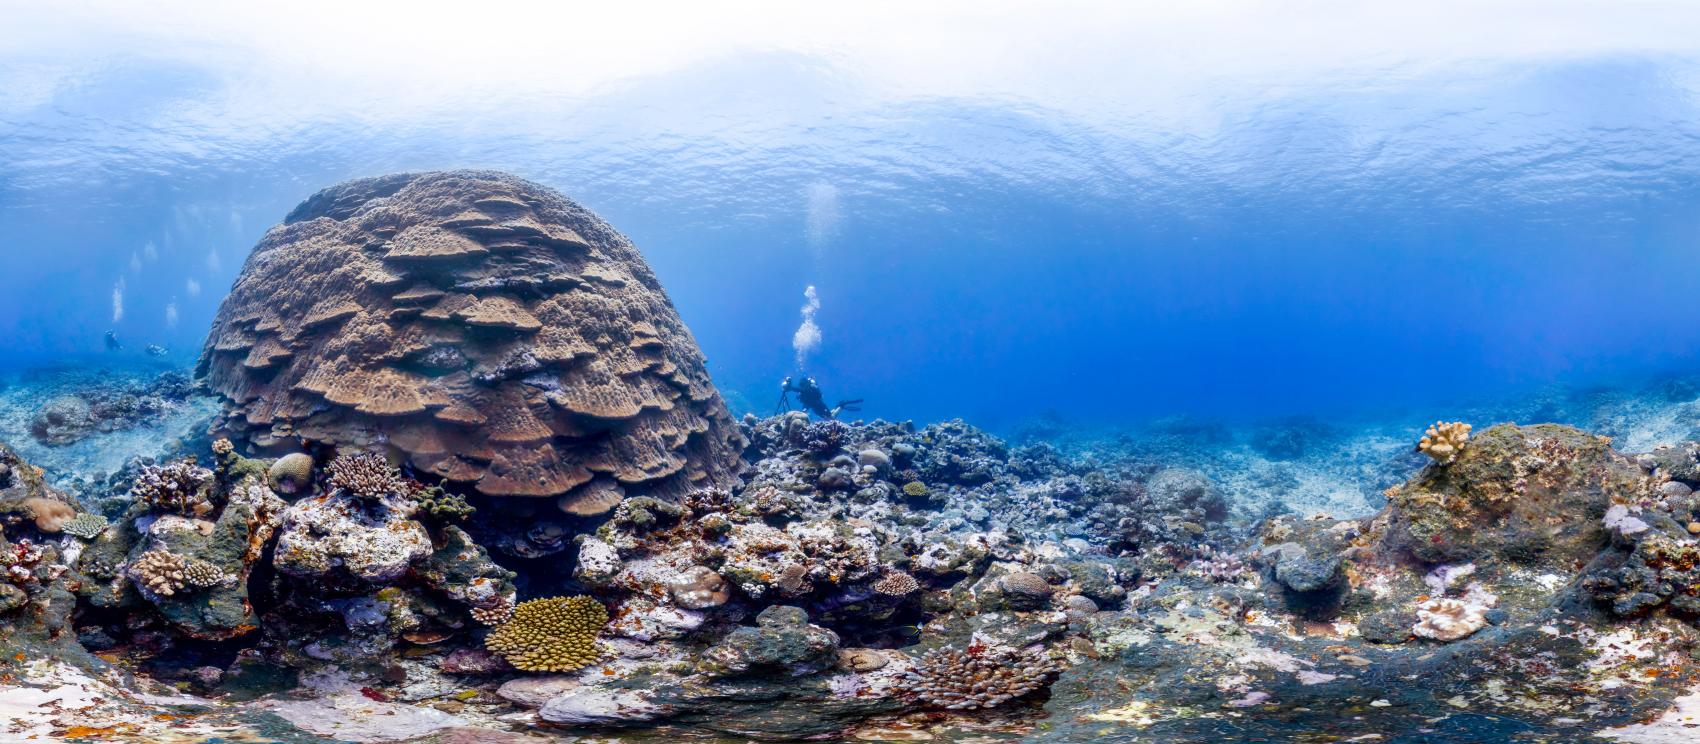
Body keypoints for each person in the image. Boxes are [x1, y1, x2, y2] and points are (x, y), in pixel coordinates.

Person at [777, 375, 862, 420]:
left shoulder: (806, 388)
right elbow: (806, 401)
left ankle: (841, 406)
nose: (800, 385)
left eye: (800, 384)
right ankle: (839, 405)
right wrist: (804, 410)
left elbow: (800, 391)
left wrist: (790, 387)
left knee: (831, 418)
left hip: (818, 405)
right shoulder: (805, 390)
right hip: (815, 406)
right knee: (829, 417)